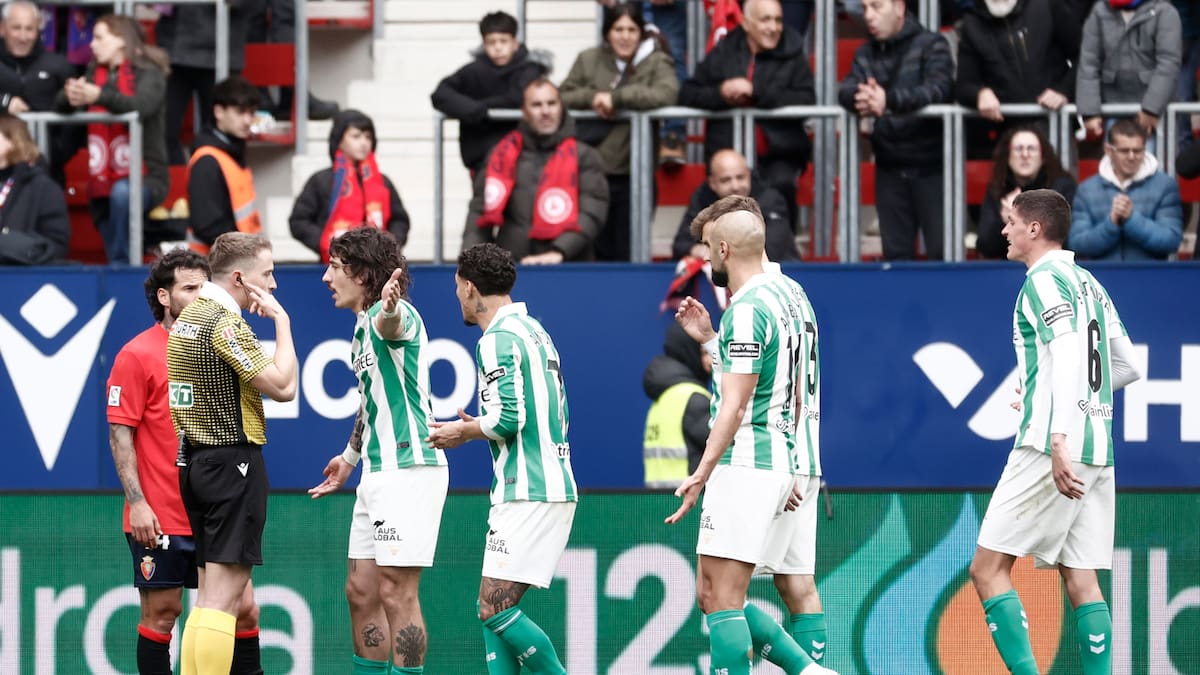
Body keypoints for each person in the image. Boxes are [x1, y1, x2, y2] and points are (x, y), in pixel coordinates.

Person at [969, 188, 1142, 675]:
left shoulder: (1043, 281)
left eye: (1010, 222)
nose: (1003, 231)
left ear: (1034, 229)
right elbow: (1127, 367)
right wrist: (1060, 394)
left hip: (1051, 446)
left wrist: (1059, 432)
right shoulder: (1088, 283)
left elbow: (1067, 353)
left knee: (987, 570)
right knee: (1081, 578)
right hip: (1098, 445)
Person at [668, 197, 832, 675]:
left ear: (723, 248)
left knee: (719, 596)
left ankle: (806, 672)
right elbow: (782, 379)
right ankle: (812, 670)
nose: (704, 260)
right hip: (789, 459)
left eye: (705, 250)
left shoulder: (747, 307)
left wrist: (701, 472)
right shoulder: (794, 295)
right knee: (792, 585)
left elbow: (737, 403)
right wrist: (712, 341)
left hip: (747, 461)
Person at [107, 249, 264, 675]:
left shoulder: (214, 344)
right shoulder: (136, 354)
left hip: (212, 509)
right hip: (160, 515)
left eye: (204, 287)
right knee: (163, 613)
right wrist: (137, 502)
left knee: (245, 610)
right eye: (189, 288)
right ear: (164, 295)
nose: (199, 296)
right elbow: (120, 432)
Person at [426, 243, 577, 675]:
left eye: (457, 288)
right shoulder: (533, 329)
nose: (457, 296)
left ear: (471, 288)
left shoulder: (495, 339)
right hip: (546, 482)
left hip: (528, 489)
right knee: (493, 609)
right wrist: (481, 423)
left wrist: (464, 431)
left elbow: (509, 418)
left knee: (494, 608)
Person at [307, 227, 448, 675]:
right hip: (377, 473)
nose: (327, 278)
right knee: (361, 591)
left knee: (396, 593)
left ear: (363, 275)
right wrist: (349, 459)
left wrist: (388, 307)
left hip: (410, 469)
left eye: (334, 267)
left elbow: (393, 323)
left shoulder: (396, 314)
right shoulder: (358, 328)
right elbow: (370, 403)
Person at [167, 232, 297, 675]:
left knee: (207, 600)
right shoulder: (223, 321)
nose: (274, 285)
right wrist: (282, 323)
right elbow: (284, 386)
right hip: (230, 464)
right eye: (269, 274)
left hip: (197, 462)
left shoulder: (187, 318)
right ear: (240, 277)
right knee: (223, 604)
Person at [679, 0, 816, 225]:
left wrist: (756, 92)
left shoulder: (792, 50)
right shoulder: (725, 49)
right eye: (766, 20)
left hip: (778, 155)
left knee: (779, 196)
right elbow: (689, 93)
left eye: (778, 20)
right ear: (745, 23)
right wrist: (721, 93)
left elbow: (806, 99)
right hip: (728, 155)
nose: (774, 27)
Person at [561, 0, 679, 262]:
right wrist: (593, 98)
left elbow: (668, 93)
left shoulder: (656, 61)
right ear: (607, 32)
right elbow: (563, 95)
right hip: (593, 172)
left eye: (631, 30)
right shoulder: (589, 59)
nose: (625, 36)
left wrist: (618, 98)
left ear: (641, 33)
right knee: (594, 248)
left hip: (635, 175)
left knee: (630, 250)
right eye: (618, 29)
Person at [837, 0, 954, 261]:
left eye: (876, 7)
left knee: (942, 254)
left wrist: (888, 101)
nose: (869, 16)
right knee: (896, 257)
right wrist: (862, 97)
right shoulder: (866, 52)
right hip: (889, 166)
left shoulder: (932, 44)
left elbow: (939, 90)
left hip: (933, 167)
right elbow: (845, 90)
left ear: (899, 8)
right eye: (865, 8)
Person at [55, 13, 169, 265]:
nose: (92, 45)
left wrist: (98, 96)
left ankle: (123, 273)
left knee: (121, 195)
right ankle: (124, 275)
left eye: (98, 38)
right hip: (101, 178)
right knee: (117, 248)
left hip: (147, 175)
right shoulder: (94, 73)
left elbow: (141, 106)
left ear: (119, 40)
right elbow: (60, 106)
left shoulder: (150, 75)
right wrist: (70, 96)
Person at [463, 78, 609, 264]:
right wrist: (468, 262)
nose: (545, 111)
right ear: (524, 112)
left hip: (569, 265)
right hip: (511, 269)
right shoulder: (500, 154)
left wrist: (560, 251)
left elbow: (592, 212)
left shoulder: (585, 156)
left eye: (551, 103)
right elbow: (479, 212)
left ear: (561, 107)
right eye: (537, 105)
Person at [955, 0, 1080, 159]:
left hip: (1054, 126)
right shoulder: (972, 23)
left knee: (1059, 183)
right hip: (1008, 136)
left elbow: (1084, 56)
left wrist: (1064, 91)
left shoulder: (1047, 5)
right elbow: (964, 85)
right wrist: (979, 93)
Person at [430, 11, 549, 175]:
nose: (498, 47)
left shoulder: (530, 70)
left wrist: (482, 107)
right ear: (484, 44)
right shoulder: (473, 71)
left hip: (524, 157)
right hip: (482, 159)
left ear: (515, 43)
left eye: (503, 41)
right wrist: (472, 109)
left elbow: (518, 98)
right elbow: (441, 94)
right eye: (491, 42)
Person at [289, 110, 411, 262]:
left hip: (377, 267)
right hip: (332, 266)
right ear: (339, 140)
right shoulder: (321, 180)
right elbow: (298, 221)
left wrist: (388, 247)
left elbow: (400, 220)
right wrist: (328, 244)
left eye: (368, 137)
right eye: (356, 136)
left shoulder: (382, 182)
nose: (364, 142)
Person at [1069, 119, 1183, 261]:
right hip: (1101, 279)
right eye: (1124, 151)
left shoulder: (1165, 186)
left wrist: (1131, 219)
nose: (1131, 157)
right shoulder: (1087, 189)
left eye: (1137, 151)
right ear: (1108, 150)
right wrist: (1111, 224)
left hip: (1151, 278)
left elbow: (1171, 241)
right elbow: (1077, 243)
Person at [155, 0, 252, 165]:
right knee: (163, 131)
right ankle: (178, 186)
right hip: (173, 49)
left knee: (219, 133)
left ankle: (209, 182)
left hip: (216, 50)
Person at [1076, 0, 1182, 147]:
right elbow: (1088, 64)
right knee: (1115, 165)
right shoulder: (1099, 11)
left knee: (1150, 166)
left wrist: (1151, 109)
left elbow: (1168, 64)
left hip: (1155, 115)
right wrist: (1089, 112)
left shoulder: (1164, 11)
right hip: (1113, 109)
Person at [671, 148, 799, 262]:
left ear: (749, 175)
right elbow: (681, 244)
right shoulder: (702, 198)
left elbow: (771, 249)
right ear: (712, 183)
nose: (735, 186)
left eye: (740, 177)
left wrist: (718, 253)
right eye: (725, 180)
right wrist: (697, 250)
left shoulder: (770, 199)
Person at [0, 0, 76, 184]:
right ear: (2, 29)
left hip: (49, 171)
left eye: (29, 29)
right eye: (16, 28)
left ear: (38, 31)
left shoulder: (59, 65)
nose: (23, 36)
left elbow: (75, 120)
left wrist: (55, 151)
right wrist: (4, 102)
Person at [186, 76, 263, 255]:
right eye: (240, 112)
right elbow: (207, 225)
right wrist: (242, 252)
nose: (247, 120)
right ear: (219, 112)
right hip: (214, 270)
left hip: (234, 267)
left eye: (251, 113)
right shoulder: (208, 160)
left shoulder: (230, 154)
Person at [976, 127, 1077, 260]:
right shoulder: (998, 188)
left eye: (1031, 148)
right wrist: (1004, 221)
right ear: (1008, 156)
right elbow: (985, 247)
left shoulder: (1061, 188)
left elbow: (1067, 241)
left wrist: (1019, 221)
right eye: (1018, 149)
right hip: (1006, 269)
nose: (1025, 154)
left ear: (1043, 156)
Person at [642, 321, 712, 488]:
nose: (710, 361)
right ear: (690, 352)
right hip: (690, 504)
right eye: (703, 352)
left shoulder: (663, 398)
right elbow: (733, 446)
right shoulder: (694, 400)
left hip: (657, 504)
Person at [0, 115, 70, 265]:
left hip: (24, 277)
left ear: (14, 141)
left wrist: (16, 246)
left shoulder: (44, 188)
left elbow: (57, 243)